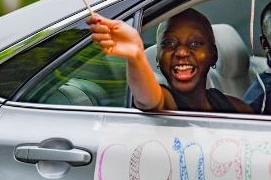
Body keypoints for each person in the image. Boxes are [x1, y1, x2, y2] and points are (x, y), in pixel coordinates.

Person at [87, 8, 252, 113]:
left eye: (195, 43)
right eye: (169, 43)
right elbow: (149, 99)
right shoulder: (167, 101)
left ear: (213, 55)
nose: (181, 52)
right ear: (158, 58)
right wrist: (136, 55)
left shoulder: (236, 108)